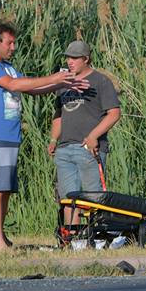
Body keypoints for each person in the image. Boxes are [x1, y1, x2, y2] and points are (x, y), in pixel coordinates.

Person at [0, 22, 82, 250]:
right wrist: (54, 77)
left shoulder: (8, 67)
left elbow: (31, 88)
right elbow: (13, 85)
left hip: (11, 135)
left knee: (6, 189)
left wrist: (61, 83)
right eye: (9, 42)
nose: (13, 47)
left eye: (14, 42)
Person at [49, 41, 121, 225]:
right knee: (68, 199)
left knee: (93, 197)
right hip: (64, 149)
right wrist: (53, 139)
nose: (69, 61)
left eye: (74, 58)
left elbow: (114, 114)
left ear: (86, 59)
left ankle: (96, 236)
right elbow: (59, 114)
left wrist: (93, 136)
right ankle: (73, 239)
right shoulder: (64, 83)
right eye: (68, 57)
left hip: (89, 148)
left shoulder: (100, 81)